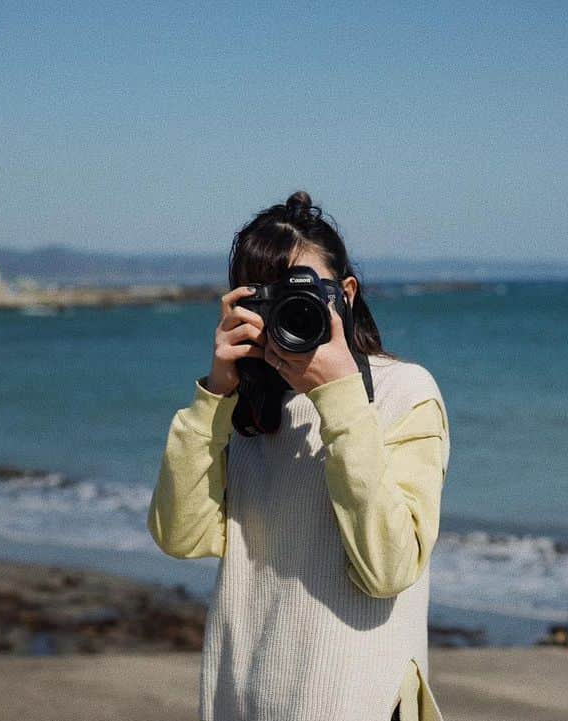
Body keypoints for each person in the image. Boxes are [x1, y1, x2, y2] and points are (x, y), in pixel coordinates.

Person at [148, 190, 450, 721]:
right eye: (269, 297)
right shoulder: (246, 410)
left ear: (347, 294)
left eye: (305, 293)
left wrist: (337, 396)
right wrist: (215, 394)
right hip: (242, 704)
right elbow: (180, 536)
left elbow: (387, 569)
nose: (292, 310)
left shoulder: (406, 392)